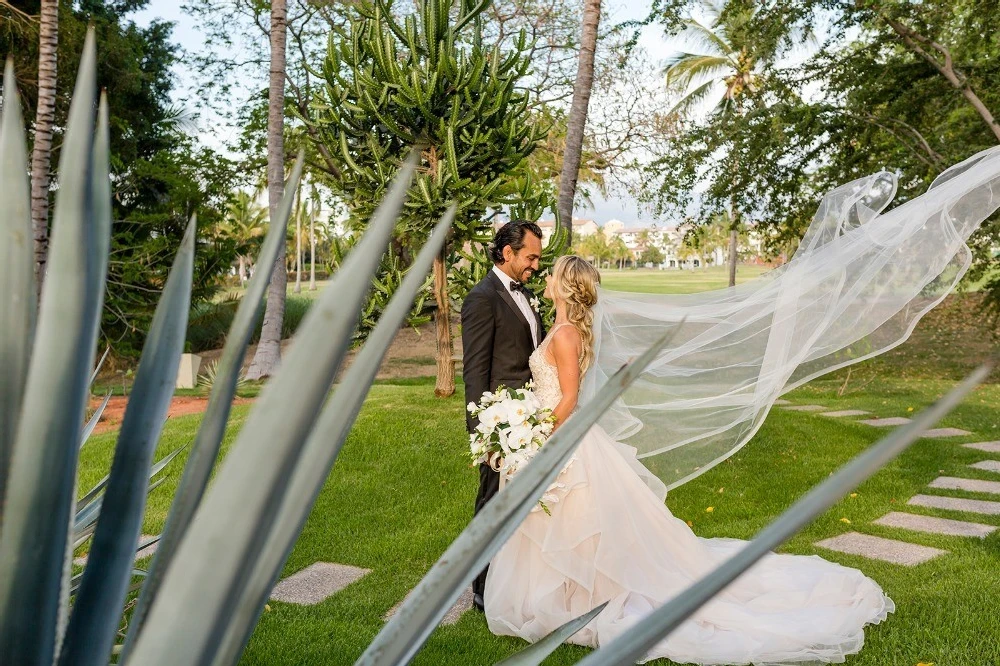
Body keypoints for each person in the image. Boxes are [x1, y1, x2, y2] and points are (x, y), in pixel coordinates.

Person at [484, 255, 893, 664]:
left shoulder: (566, 334)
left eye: (554, 273)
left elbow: (569, 398)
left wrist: (537, 438)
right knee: (568, 524)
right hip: (558, 434)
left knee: (576, 524)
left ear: (566, 285)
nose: (548, 277)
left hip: (562, 439)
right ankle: (568, 595)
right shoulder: (563, 328)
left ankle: (582, 598)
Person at [461, 219, 544, 612]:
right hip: (501, 423)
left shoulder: (526, 293)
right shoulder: (482, 298)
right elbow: (475, 369)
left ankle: (518, 577)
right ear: (507, 252)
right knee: (491, 501)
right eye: (530, 257)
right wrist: (482, 433)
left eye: (538, 259)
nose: (535, 266)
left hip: (530, 416)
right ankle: (480, 586)